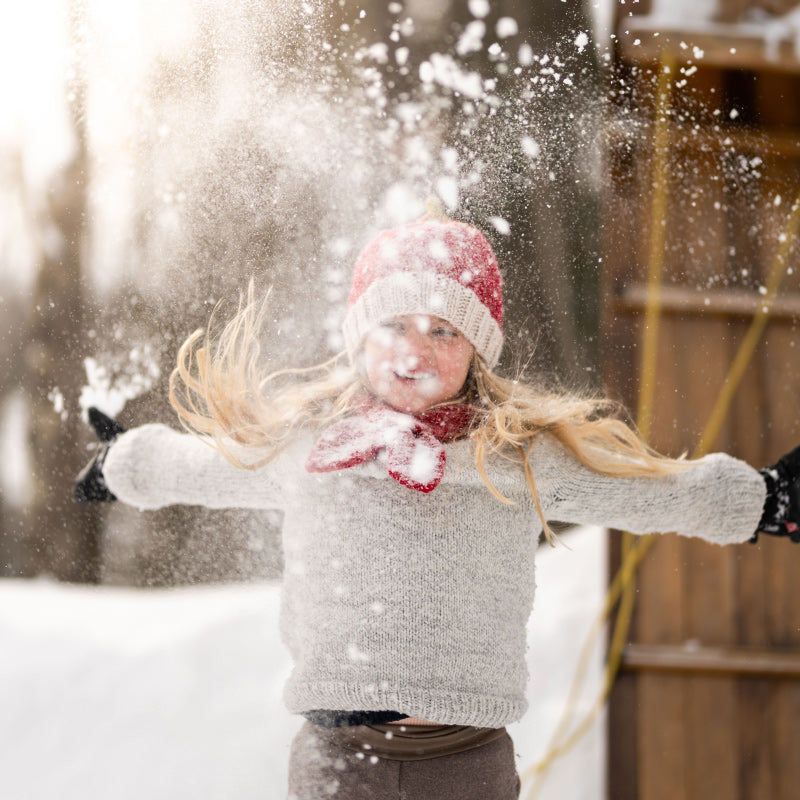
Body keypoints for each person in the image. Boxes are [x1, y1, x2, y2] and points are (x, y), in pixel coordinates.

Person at [75, 208, 800, 799]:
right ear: (361, 339)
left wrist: (758, 499)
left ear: (477, 352)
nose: (415, 348)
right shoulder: (308, 447)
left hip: (464, 764)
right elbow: (208, 466)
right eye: (394, 325)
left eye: (444, 329)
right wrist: (128, 462)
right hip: (335, 762)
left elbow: (638, 489)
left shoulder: (513, 455)